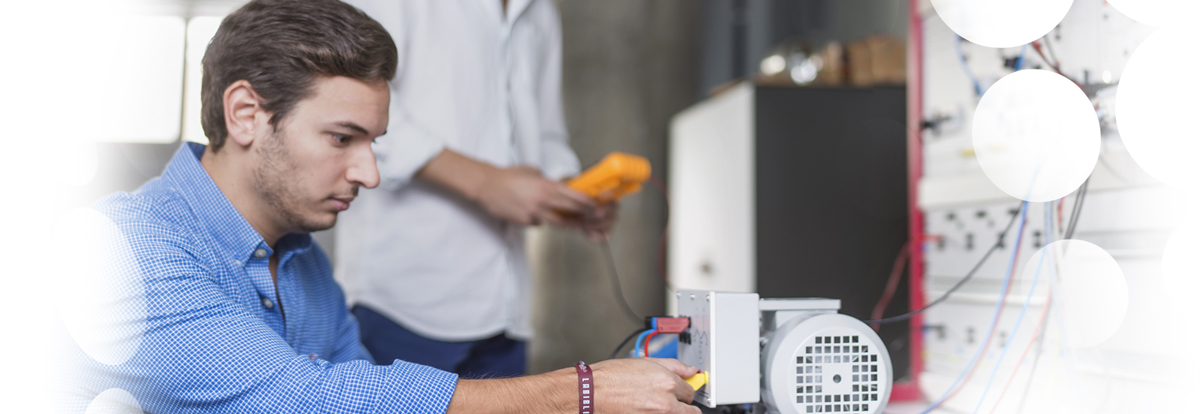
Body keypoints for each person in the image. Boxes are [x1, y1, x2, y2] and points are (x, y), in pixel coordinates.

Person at [55, 1, 697, 413]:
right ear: (246, 113)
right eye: (342, 138)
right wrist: (580, 392)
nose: (368, 172)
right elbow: (303, 400)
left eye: (373, 142)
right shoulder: (125, 248)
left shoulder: (304, 270)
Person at [333, 0, 617, 379]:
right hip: (402, 299)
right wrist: (485, 183)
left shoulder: (541, 9)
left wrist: (570, 193)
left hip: (508, 309)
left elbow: (545, 130)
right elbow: (349, 105)